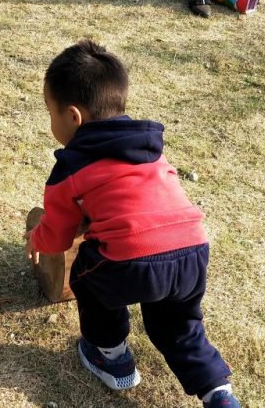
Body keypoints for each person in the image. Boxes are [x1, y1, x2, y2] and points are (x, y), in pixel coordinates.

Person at [26, 41, 239, 408]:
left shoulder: (71, 166)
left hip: (131, 260)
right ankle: (218, 394)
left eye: (50, 113)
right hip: (192, 250)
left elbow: (59, 232)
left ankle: (112, 356)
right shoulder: (150, 148)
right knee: (179, 328)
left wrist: (36, 238)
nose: (50, 123)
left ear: (73, 117)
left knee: (87, 276)